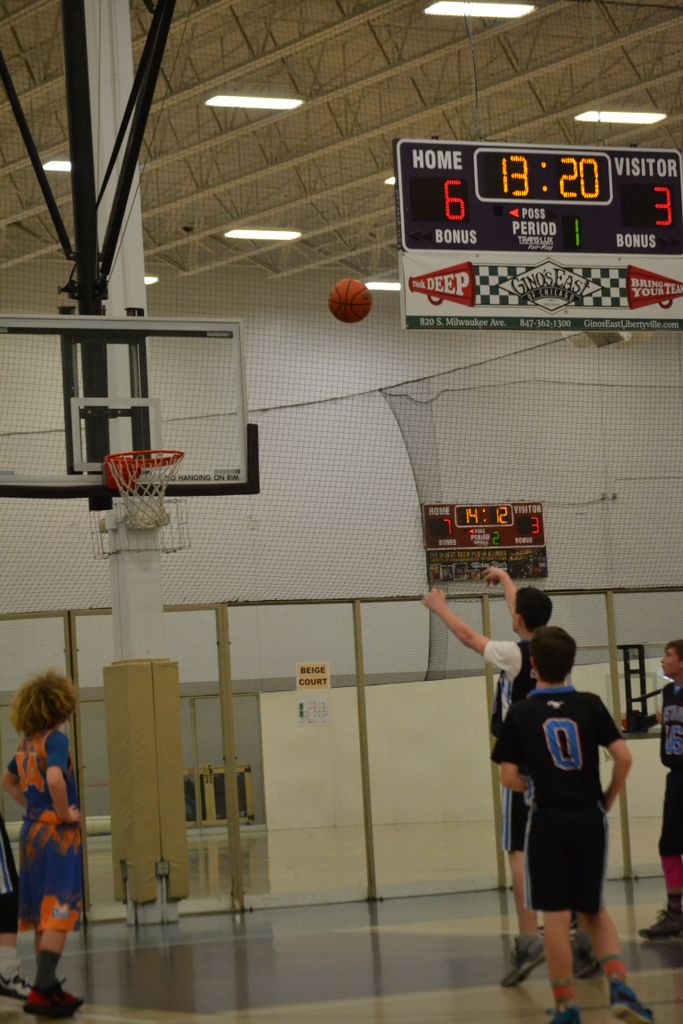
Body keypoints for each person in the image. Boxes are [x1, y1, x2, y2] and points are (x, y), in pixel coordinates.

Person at [422, 569, 597, 985]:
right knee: (566, 849)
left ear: (519, 619)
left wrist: (439, 607)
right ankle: (586, 938)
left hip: (525, 767)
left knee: (518, 852)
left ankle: (529, 937)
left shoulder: (516, 655)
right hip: (563, 769)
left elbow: (468, 637)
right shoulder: (555, 652)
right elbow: (523, 612)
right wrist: (504, 579)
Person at [491, 625, 654, 1024]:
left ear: (532, 664)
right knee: (594, 909)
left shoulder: (521, 713)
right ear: (571, 664)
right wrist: (607, 797)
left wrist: (535, 785)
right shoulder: (590, 704)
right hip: (589, 818)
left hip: (546, 819)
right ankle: (620, 987)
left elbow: (508, 777)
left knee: (557, 918)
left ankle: (566, 1006)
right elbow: (625, 757)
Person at [2, 669, 84, 1018]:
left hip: (31, 832)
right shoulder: (55, 740)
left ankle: (46, 987)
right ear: (60, 704)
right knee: (58, 910)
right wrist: (63, 813)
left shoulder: (25, 744)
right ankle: (41, 989)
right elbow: (54, 778)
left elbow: (8, 781)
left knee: (41, 914)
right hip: (55, 836)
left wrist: (33, 808)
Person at [639, 639, 683, 939]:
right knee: (668, 844)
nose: (664, 660)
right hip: (675, 775)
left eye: (669, 655)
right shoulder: (668, 692)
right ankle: (674, 913)